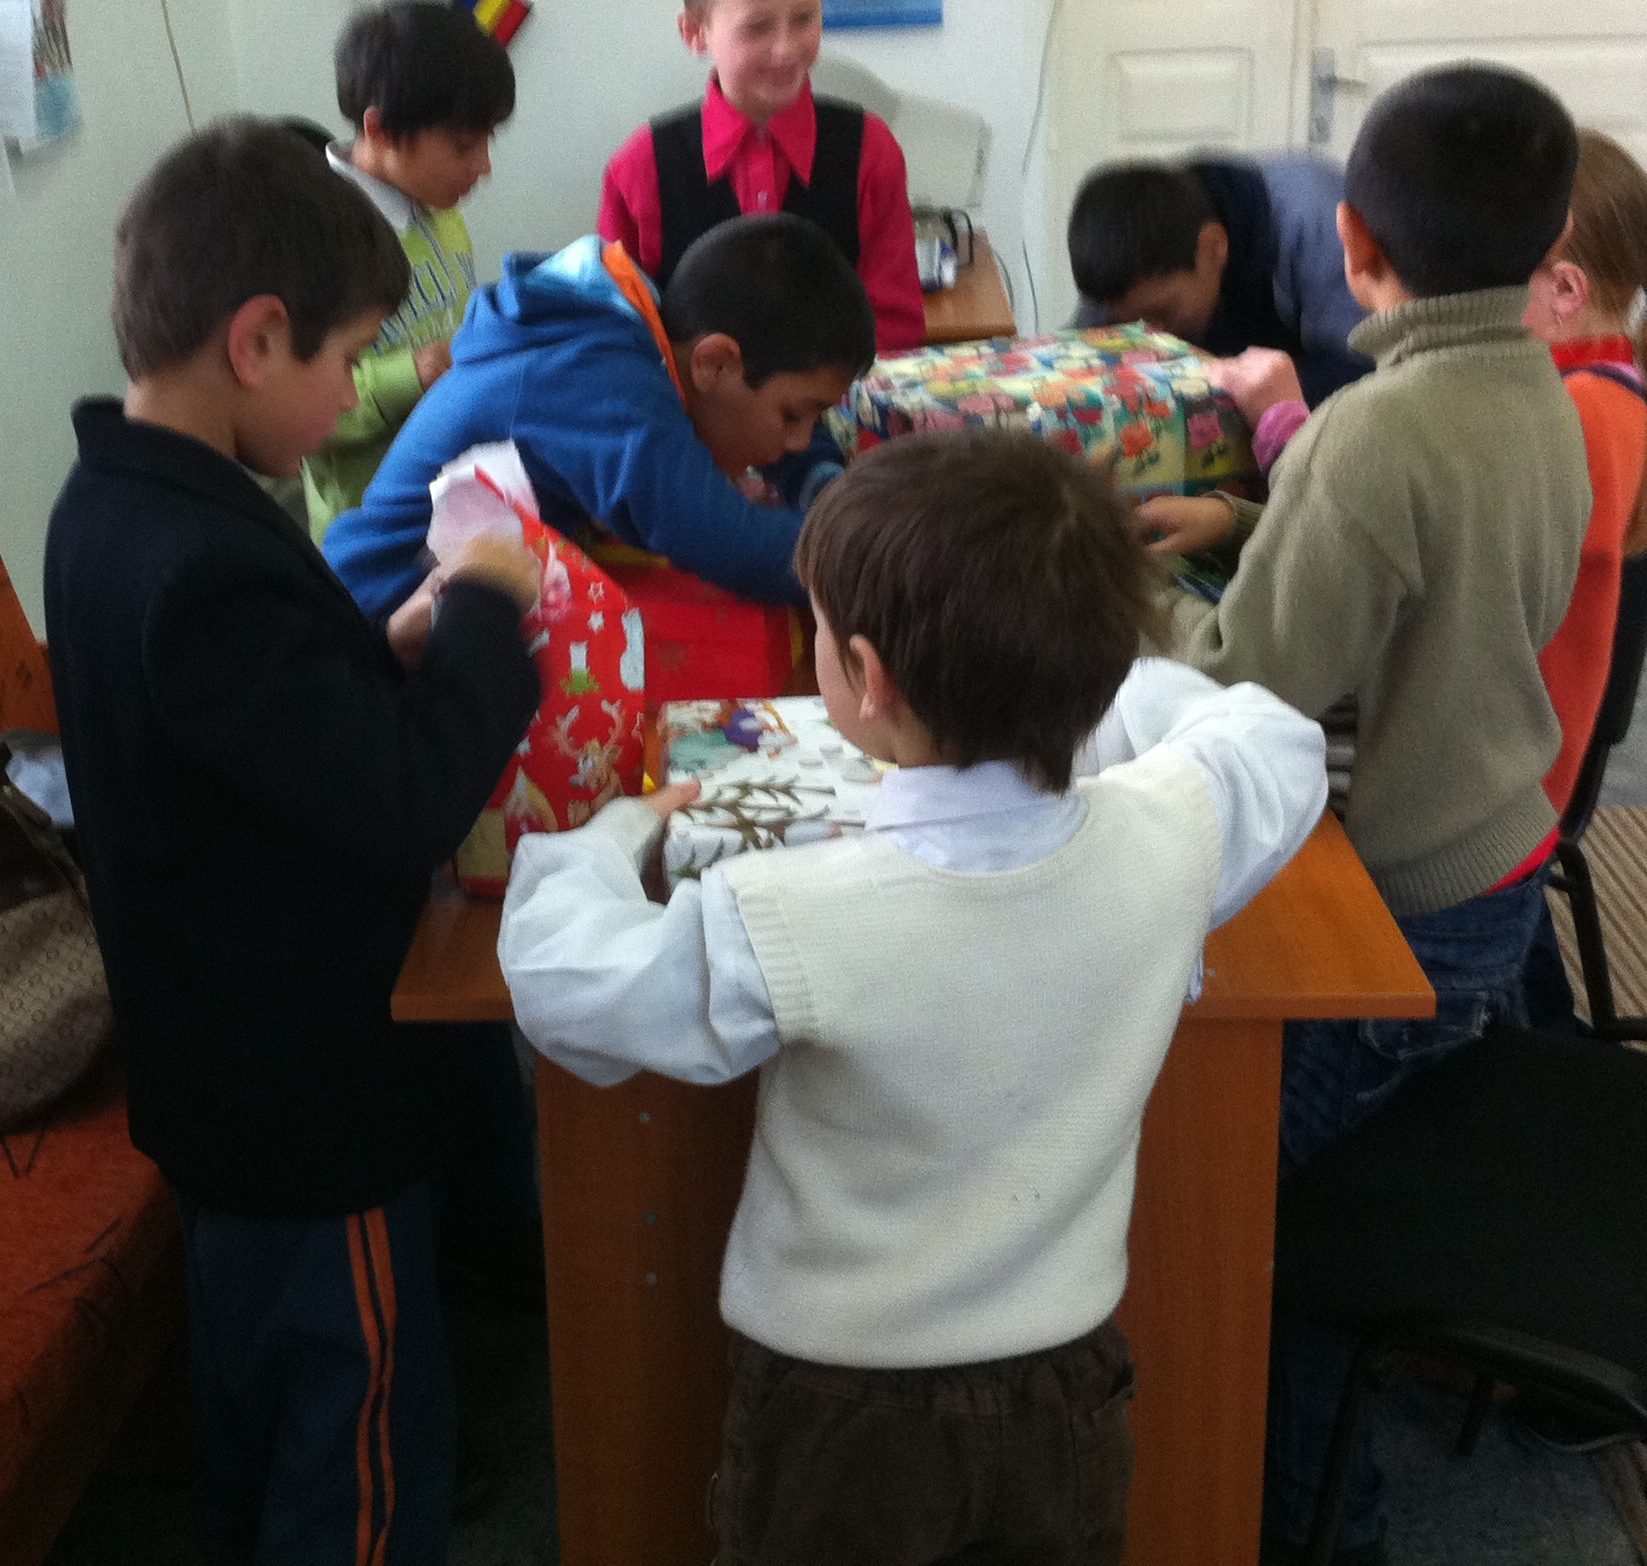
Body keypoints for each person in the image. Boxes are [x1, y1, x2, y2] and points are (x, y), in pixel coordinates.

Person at [498, 430, 1325, 1566]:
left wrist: (612, 835)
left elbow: (566, 982)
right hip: (1068, 1390)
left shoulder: (788, 911)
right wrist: (1065, 677)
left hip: (843, 1418)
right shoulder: (1173, 835)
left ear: (866, 675)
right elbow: (1268, 739)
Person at [44, 120, 543, 1564]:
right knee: (356, 1444)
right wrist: (485, 609)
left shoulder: (114, 503)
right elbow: (402, 798)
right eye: (349, 358)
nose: (350, 395)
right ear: (258, 339)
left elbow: (237, 738)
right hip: (311, 1101)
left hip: (221, 1079)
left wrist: (373, 647)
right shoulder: (203, 562)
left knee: (263, 1415)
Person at [1161, 65, 1590, 1565]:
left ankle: (1317, 1527)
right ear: (1549, 251)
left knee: (1228, 1195)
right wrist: (1255, 520)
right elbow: (1428, 564)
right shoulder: (1539, 388)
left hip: (1402, 907)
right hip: (1500, 857)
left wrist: (1131, 597)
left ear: (1353, 245)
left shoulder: (1374, 434)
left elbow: (1244, 686)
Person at [323, 213, 875, 619]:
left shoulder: (637, 334)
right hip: (380, 616)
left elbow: (784, 448)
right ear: (715, 363)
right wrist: (879, 550)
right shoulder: (605, 384)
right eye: (791, 415)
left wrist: (821, 482)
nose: (799, 440)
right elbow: (731, 542)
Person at [1517, 129, 1647, 1023]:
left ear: (1563, 291)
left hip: (1516, 776)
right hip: (1527, 759)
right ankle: (1537, 1023)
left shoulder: (1580, 415)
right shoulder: (1598, 388)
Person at [600, 0, 924, 355]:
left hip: (842, 396)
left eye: (804, 18)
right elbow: (619, 334)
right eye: (757, 27)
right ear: (695, 33)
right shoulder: (639, 168)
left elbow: (894, 325)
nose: (786, 49)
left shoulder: (871, 150)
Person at [302, 0, 518, 542]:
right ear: (379, 130)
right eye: (464, 146)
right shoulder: (312, 235)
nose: (484, 167)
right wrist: (411, 374)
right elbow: (292, 408)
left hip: (452, 503)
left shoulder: (439, 206)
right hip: (370, 530)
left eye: (488, 141)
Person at [1067, 152, 1370, 404]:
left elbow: (1368, 374)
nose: (1152, 337)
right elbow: (1075, 365)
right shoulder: (1121, 259)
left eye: (1163, 313)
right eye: (1130, 324)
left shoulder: (1317, 225)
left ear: (1214, 248)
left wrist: (1249, 382)